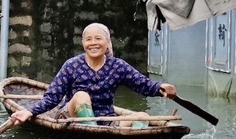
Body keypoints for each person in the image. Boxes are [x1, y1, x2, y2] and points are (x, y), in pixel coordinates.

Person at [10, 22, 177, 128]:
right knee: (81, 95)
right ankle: (92, 129)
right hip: (72, 117)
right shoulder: (72, 65)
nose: (93, 43)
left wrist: (161, 88)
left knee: (143, 116)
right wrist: (30, 112)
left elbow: (143, 84)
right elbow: (52, 97)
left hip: (106, 120)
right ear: (83, 44)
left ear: (107, 43)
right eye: (88, 39)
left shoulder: (117, 66)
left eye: (98, 38)